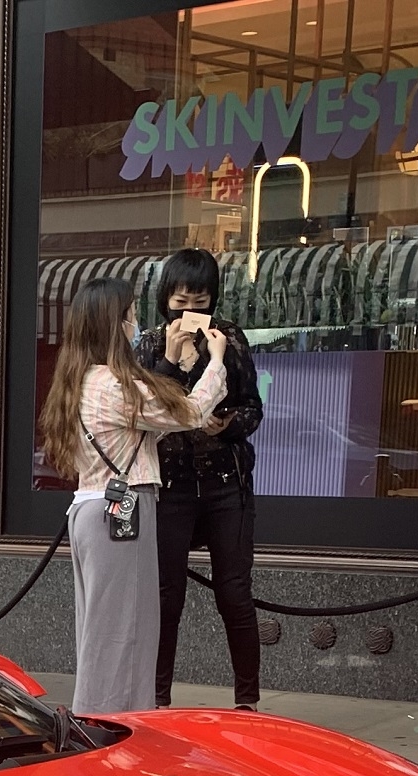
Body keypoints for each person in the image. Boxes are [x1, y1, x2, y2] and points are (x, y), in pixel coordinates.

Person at [39, 277, 226, 714]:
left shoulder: (81, 381)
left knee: (103, 629)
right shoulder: (113, 384)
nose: (136, 323)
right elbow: (190, 413)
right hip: (121, 511)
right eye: (131, 315)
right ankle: (112, 730)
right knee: (124, 631)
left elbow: (147, 426)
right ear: (116, 323)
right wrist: (214, 362)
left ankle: (104, 723)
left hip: (92, 507)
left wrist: (173, 365)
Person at [139, 248, 265, 709]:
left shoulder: (229, 339)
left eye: (200, 299)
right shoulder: (151, 343)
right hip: (170, 484)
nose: (189, 310)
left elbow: (253, 407)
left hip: (224, 483)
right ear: (165, 298)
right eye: (180, 300)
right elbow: (145, 409)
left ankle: (247, 702)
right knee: (166, 597)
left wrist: (227, 424)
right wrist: (171, 357)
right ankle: (157, 700)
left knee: (234, 592)